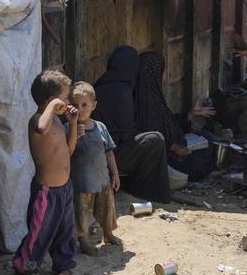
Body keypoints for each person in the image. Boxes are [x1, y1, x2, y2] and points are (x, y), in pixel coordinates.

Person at [9, 70, 79, 275]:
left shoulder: (57, 122)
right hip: (46, 193)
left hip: (64, 189)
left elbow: (69, 150)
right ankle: (22, 270)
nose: (68, 102)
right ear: (51, 101)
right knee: (38, 233)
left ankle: (63, 265)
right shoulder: (38, 121)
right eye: (65, 98)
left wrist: (73, 123)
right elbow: (41, 128)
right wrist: (53, 105)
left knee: (65, 230)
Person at [93, 46, 172, 202]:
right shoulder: (122, 91)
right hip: (111, 156)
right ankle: (145, 191)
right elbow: (126, 133)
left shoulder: (102, 84)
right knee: (155, 140)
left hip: (102, 151)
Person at [134, 51, 217, 180]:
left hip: (174, 147)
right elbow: (147, 132)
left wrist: (191, 114)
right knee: (204, 159)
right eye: (163, 69)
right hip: (162, 158)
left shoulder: (154, 93)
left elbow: (167, 122)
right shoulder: (142, 100)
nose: (166, 73)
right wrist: (173, 147)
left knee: (208, 138)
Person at [69, 82, 121, 254]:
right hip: (82, 183)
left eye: (85, 105)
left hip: (102, 181)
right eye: (76, 105)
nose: (80, 109)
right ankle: (83, 240)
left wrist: (115, 174)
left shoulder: (101, 127)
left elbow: (109, 153)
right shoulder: (68, 130)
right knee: (81, 214)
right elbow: (66, 154)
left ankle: (107, 233)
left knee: (106, 209)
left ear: (94, 105)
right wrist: (74, 135)